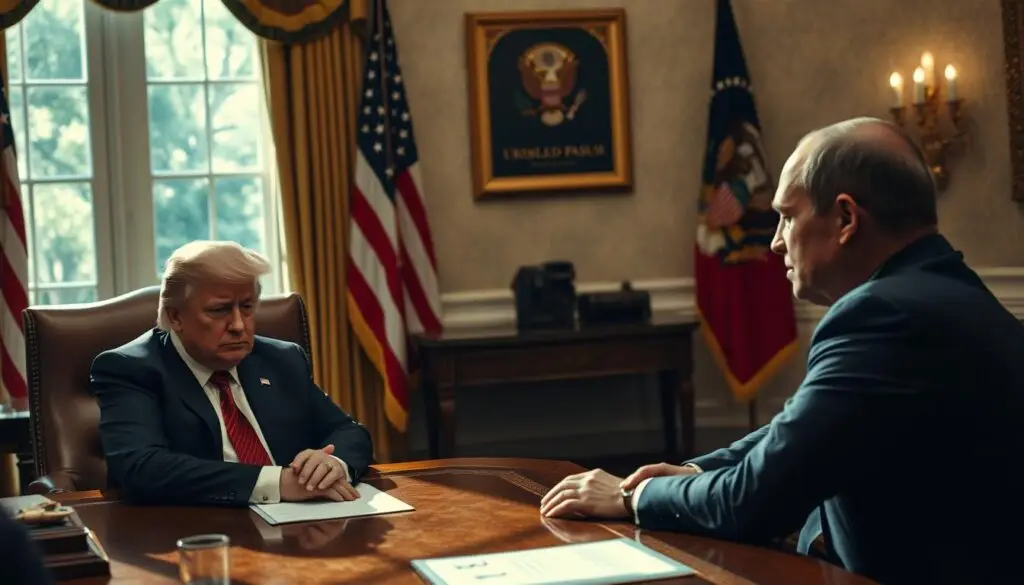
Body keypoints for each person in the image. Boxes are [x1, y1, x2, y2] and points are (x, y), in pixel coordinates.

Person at [539, 117, 1024, 585]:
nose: (773, 243)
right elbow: (801, 432)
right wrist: (693, 471)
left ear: (846, 218)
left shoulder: (883, 315)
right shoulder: (945, 290)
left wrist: (634, 498)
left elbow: (755, 499)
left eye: (787, 217)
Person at [93, 241, 373, 506]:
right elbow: (141, 468)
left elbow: (348, 431)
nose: (239, 325)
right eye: (219, 310)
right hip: (195, 534)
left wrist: (332, 464)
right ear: (176, 316)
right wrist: (277, 483)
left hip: (303, 524)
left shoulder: (281, 359)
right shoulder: (131, 368)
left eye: (248, 307)